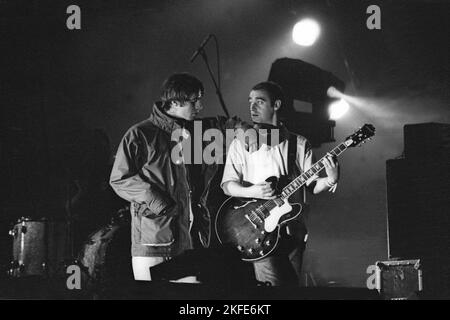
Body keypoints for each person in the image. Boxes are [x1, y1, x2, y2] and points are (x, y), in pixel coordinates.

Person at [110, 73, 244, 282]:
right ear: (174, 102)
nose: (200, 106)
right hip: (153, 241)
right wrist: (156, 200)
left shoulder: (199, 132)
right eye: (194, 100)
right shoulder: (140, 134)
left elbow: (231, 126)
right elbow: (119, 178)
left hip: (189, 242)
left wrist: (241, 129)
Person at [221, 81, 339, 286]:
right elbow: (228, 184)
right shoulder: (240, 142)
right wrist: (251, 191)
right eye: (250, 101)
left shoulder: (299, 143)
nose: (252, 107)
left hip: (293, 231)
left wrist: (330, 179)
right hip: (260, 230)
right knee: (273, 292)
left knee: (291, 293)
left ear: (276, 105)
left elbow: (312, 185)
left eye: (260, 101)